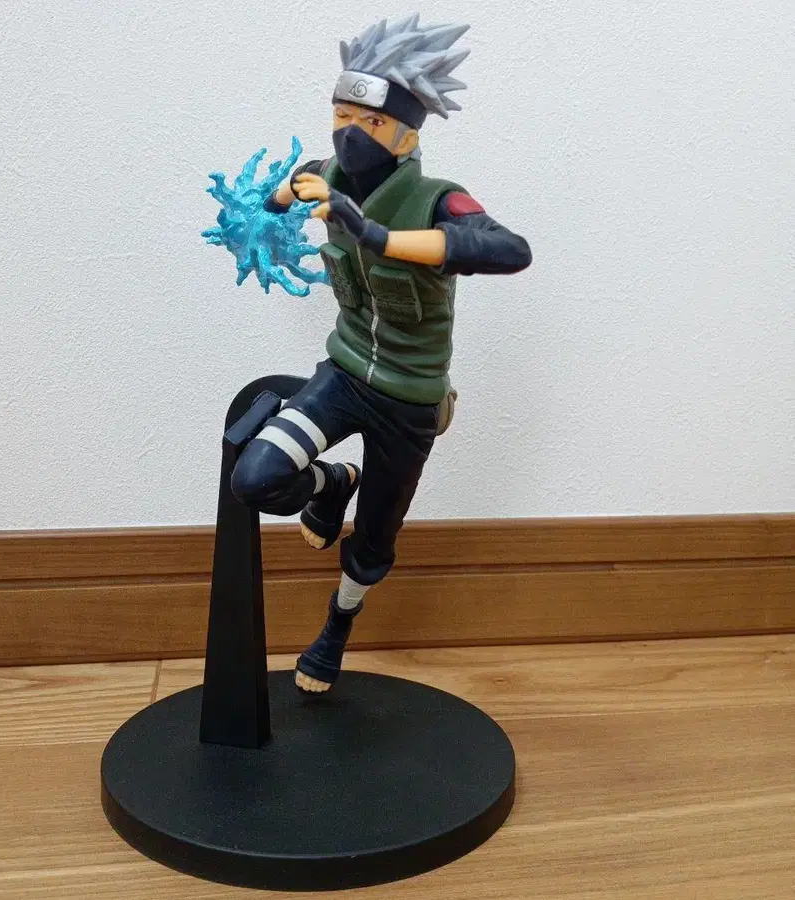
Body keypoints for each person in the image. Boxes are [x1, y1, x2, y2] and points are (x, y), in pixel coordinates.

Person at [231, 15, 532, 693]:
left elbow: (510, 250)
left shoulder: (436, 200)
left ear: (405, 132)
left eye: (370, 122)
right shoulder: (322, 175)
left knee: (371, 545)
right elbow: (270, 203)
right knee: (256, 479)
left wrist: (378, 236)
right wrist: (258, 218)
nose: (351, 134)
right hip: (344, 374)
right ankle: (332, 484)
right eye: (342, 116)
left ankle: (335, 631)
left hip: (409, 398)